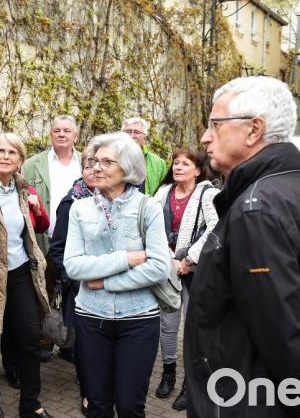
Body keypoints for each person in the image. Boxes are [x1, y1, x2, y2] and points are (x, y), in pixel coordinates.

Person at [184, 76, 300, 417]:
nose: (205, 138)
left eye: (215, 125)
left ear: (253, 130)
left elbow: (285, 331)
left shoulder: (257, 208)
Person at [63, 132, 171, 418]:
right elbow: (73, 266)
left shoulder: (148, 208)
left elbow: (160, 267)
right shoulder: (79, 208)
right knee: (96, 405)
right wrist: (126, 259)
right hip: (90, 318)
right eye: (95, 161)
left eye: (107, 162)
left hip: (138, 320)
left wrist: (105, 281)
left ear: (128, 168)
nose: (97, 167)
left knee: (129, 406)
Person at [0, 133, 53, 418]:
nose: (6, 156)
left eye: (13, 153)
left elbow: (37, 228)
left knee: (31, 338)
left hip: (20, 273)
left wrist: (36, 207)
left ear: (20, 160)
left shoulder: (23, 190)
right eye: (1, 151)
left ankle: (30, 404)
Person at [151, 148, 220, 411]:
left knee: (192, 329)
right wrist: (168, 259)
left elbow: (216, 228)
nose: (178, 167)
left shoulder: (207, 194)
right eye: (176, 162)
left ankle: (190, 385)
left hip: (196, 271)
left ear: (198, 169)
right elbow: (151, 226)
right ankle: (168, 372)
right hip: (167, 267)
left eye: (185, 163)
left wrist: (189, 260)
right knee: (167, 324)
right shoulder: (162, 193)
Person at [21, 115, 82, 361]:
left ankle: (70, 344)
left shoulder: (86, 162)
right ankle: (44, 340)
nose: (61, 134)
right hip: (43, 240)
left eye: (67, 130)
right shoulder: (35, 163)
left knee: (74, 294)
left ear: (75, 136)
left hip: (77, 243)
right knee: (42, 293)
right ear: (51, 134)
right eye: (56, 130)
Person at [47, 150, 97, 416]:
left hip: (108, 288)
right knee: (85, 344)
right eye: (88, 165)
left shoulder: (113, 200)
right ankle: (88, 393)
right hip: (80, 288)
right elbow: (58, 249)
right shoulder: (71, 203)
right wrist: (71, 280)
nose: (93, 170)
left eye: (98, 165)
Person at [121, 117, 168, 196]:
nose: (132, 136)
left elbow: (163, 193)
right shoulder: (112, 158)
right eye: (128, 132)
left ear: (144, 138)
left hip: (146, 206)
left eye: (136, 132)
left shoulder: (158, 163)